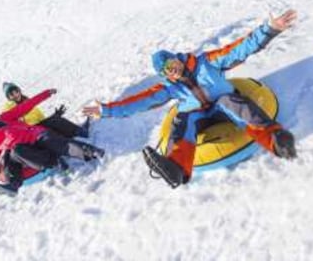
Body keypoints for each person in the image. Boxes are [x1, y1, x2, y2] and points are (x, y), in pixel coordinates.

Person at [83, 10, 298, 188]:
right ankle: (176, 168)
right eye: (167, 71)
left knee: (234, 104)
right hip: (199, 115)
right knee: (183, 121)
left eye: (171, 64)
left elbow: (240, 49)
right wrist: (106, 110)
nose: (172, 71)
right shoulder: (169, 87)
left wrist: (270, 29)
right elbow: (139, 102)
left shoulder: (207, 63)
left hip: (223, 103)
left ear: (177, 58)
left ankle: (276, 140)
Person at [0, 89, 104, 195]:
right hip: (34, 152)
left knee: (60, 144)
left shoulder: (2, 120)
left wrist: (45, 94)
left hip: (38, 135)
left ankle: (91, 151)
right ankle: (13, 185)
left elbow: (25, 107)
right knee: (13, 152)